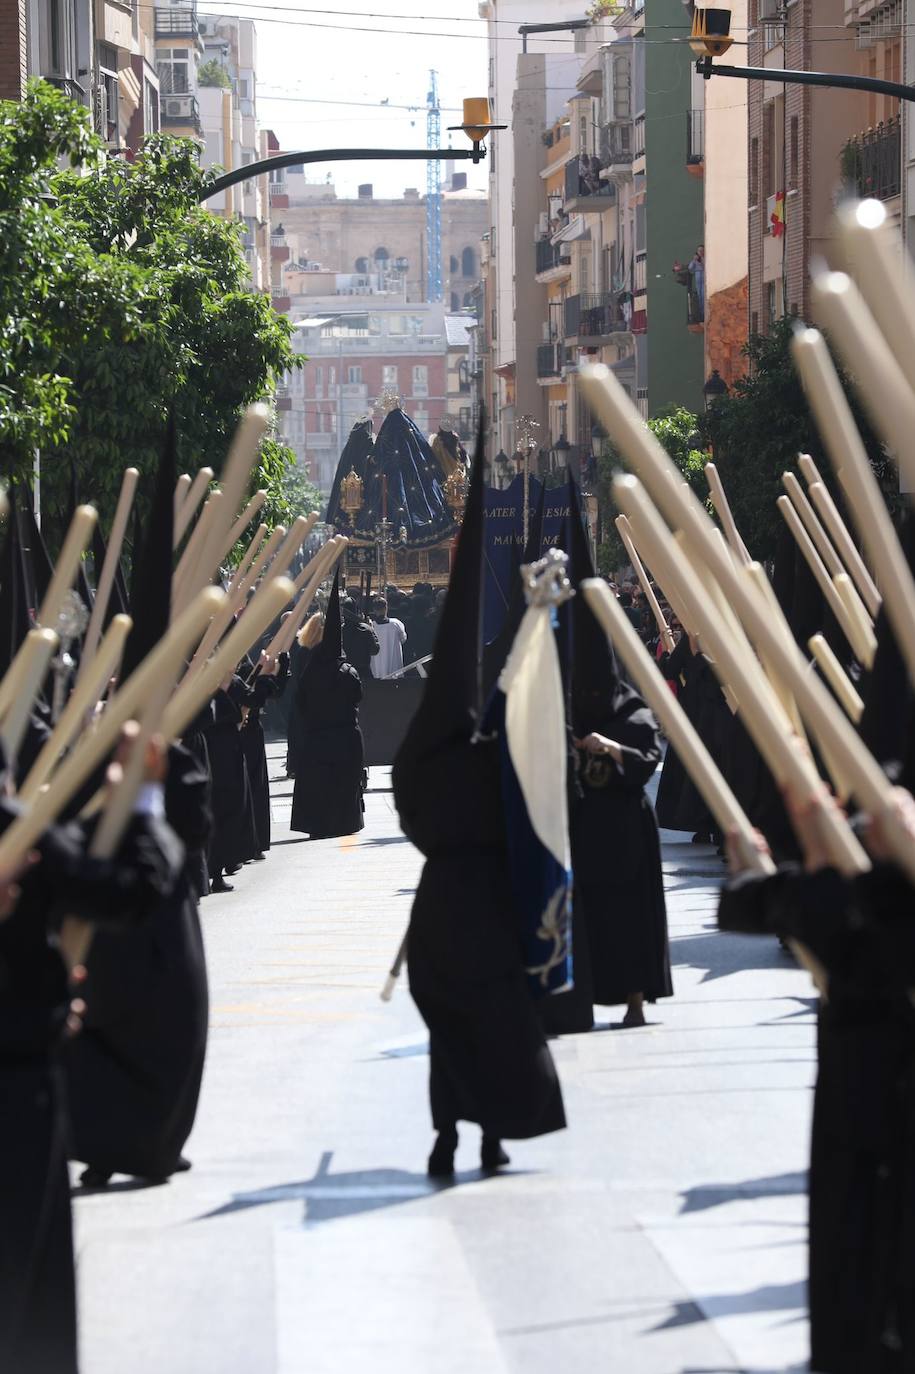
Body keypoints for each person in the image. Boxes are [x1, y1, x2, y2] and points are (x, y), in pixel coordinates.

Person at [393, 431, 565, 1178]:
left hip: (440, 904)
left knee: (450, 1032)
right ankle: (490, 1133)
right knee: (495, 1022)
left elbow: (408, 813)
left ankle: (449, 1137)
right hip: (490, 903)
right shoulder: (496, 754)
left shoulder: (425, 756)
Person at [0, 732, 183, 1374]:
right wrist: (142, 801)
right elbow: (132, 890)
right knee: (28, 1303)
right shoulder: (16, 835)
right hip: (15, 1094)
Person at [290, 572, 365, 839]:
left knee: (318, 783)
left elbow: (300, 701)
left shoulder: (310, 671)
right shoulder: (347, 671)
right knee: (343, 781)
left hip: (317, 736)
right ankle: (343, 823)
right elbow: (357, 696)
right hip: (343, 735)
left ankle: (319, 824)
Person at [341, 595, 379, 683]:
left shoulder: (341, 630)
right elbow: (375, 650)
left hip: (346, 673)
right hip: (364, 674)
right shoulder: (365, 629)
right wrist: (371, 629)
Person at [370, 596, 407, 678]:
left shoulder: (371, 626)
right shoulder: (396, 624)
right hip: (393, 662)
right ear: (386, 608)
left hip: (377, 663)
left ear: (374, 610)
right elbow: (403, 639)